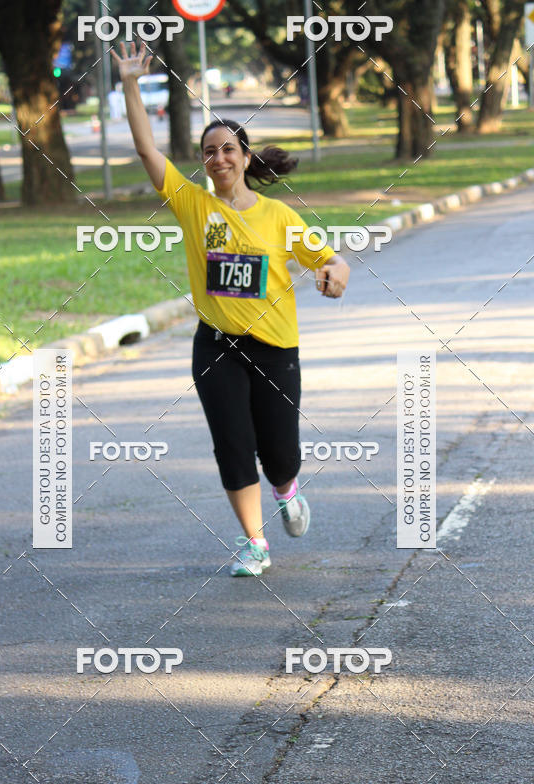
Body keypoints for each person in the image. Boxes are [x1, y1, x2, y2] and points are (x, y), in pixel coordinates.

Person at [111, 41, 350, 576]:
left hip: (275, 346)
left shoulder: (277, 216)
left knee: (279, 453)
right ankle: (255, 543)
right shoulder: (193, 205)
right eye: (209, 151)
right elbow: (149, 151)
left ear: (244, 157)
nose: (218, 158)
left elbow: (330, 258)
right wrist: (130, 83)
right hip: (216, 345)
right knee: (232, 446)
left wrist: (335, 275)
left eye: (227, 149)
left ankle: (287, 489)